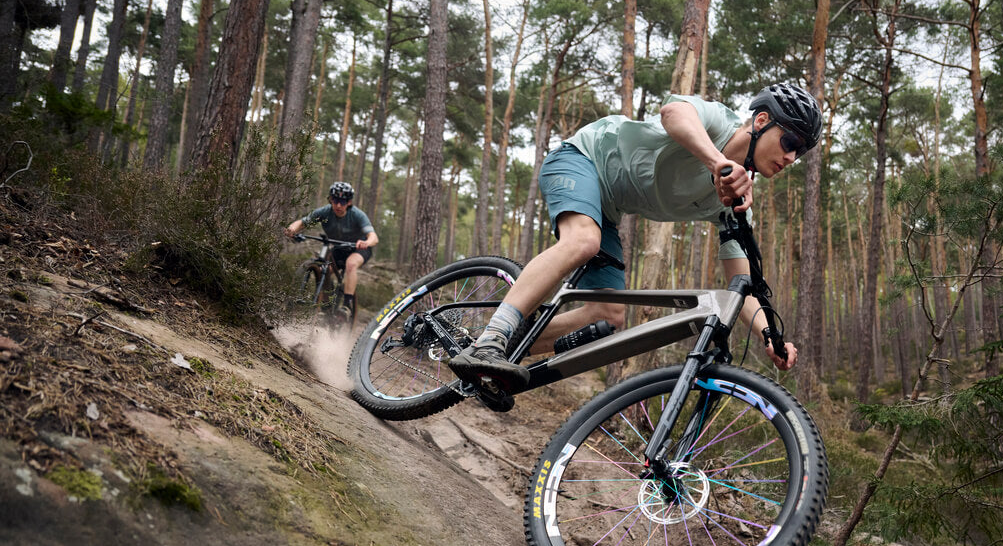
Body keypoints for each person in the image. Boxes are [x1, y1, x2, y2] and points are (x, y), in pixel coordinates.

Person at [448, 82, 822, 391]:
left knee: (607, 318)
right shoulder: (717, 121)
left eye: (801, 152)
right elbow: (673, 114)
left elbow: (742, 286)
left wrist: (769, 337)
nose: (792, 157)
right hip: (583, 158)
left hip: (607, 209)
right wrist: (717, 164)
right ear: (760, 120)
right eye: (790, 142)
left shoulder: (734, 204)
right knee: (582, 241)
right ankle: (492, 340)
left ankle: (495, 346)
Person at [285, 181, 379, 317]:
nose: (338, 205)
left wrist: (366, 242)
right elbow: (302, 222)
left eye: (342, 201)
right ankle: (327, 304)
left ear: (349, 202)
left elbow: (373, 237)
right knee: (325, 269)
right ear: (330, 200)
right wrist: (292, 229)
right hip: (339, 248)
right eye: (335, 200)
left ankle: (346, 306)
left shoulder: (357, 215)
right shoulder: (325, 212)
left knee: (351, 265)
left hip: (358, 248)